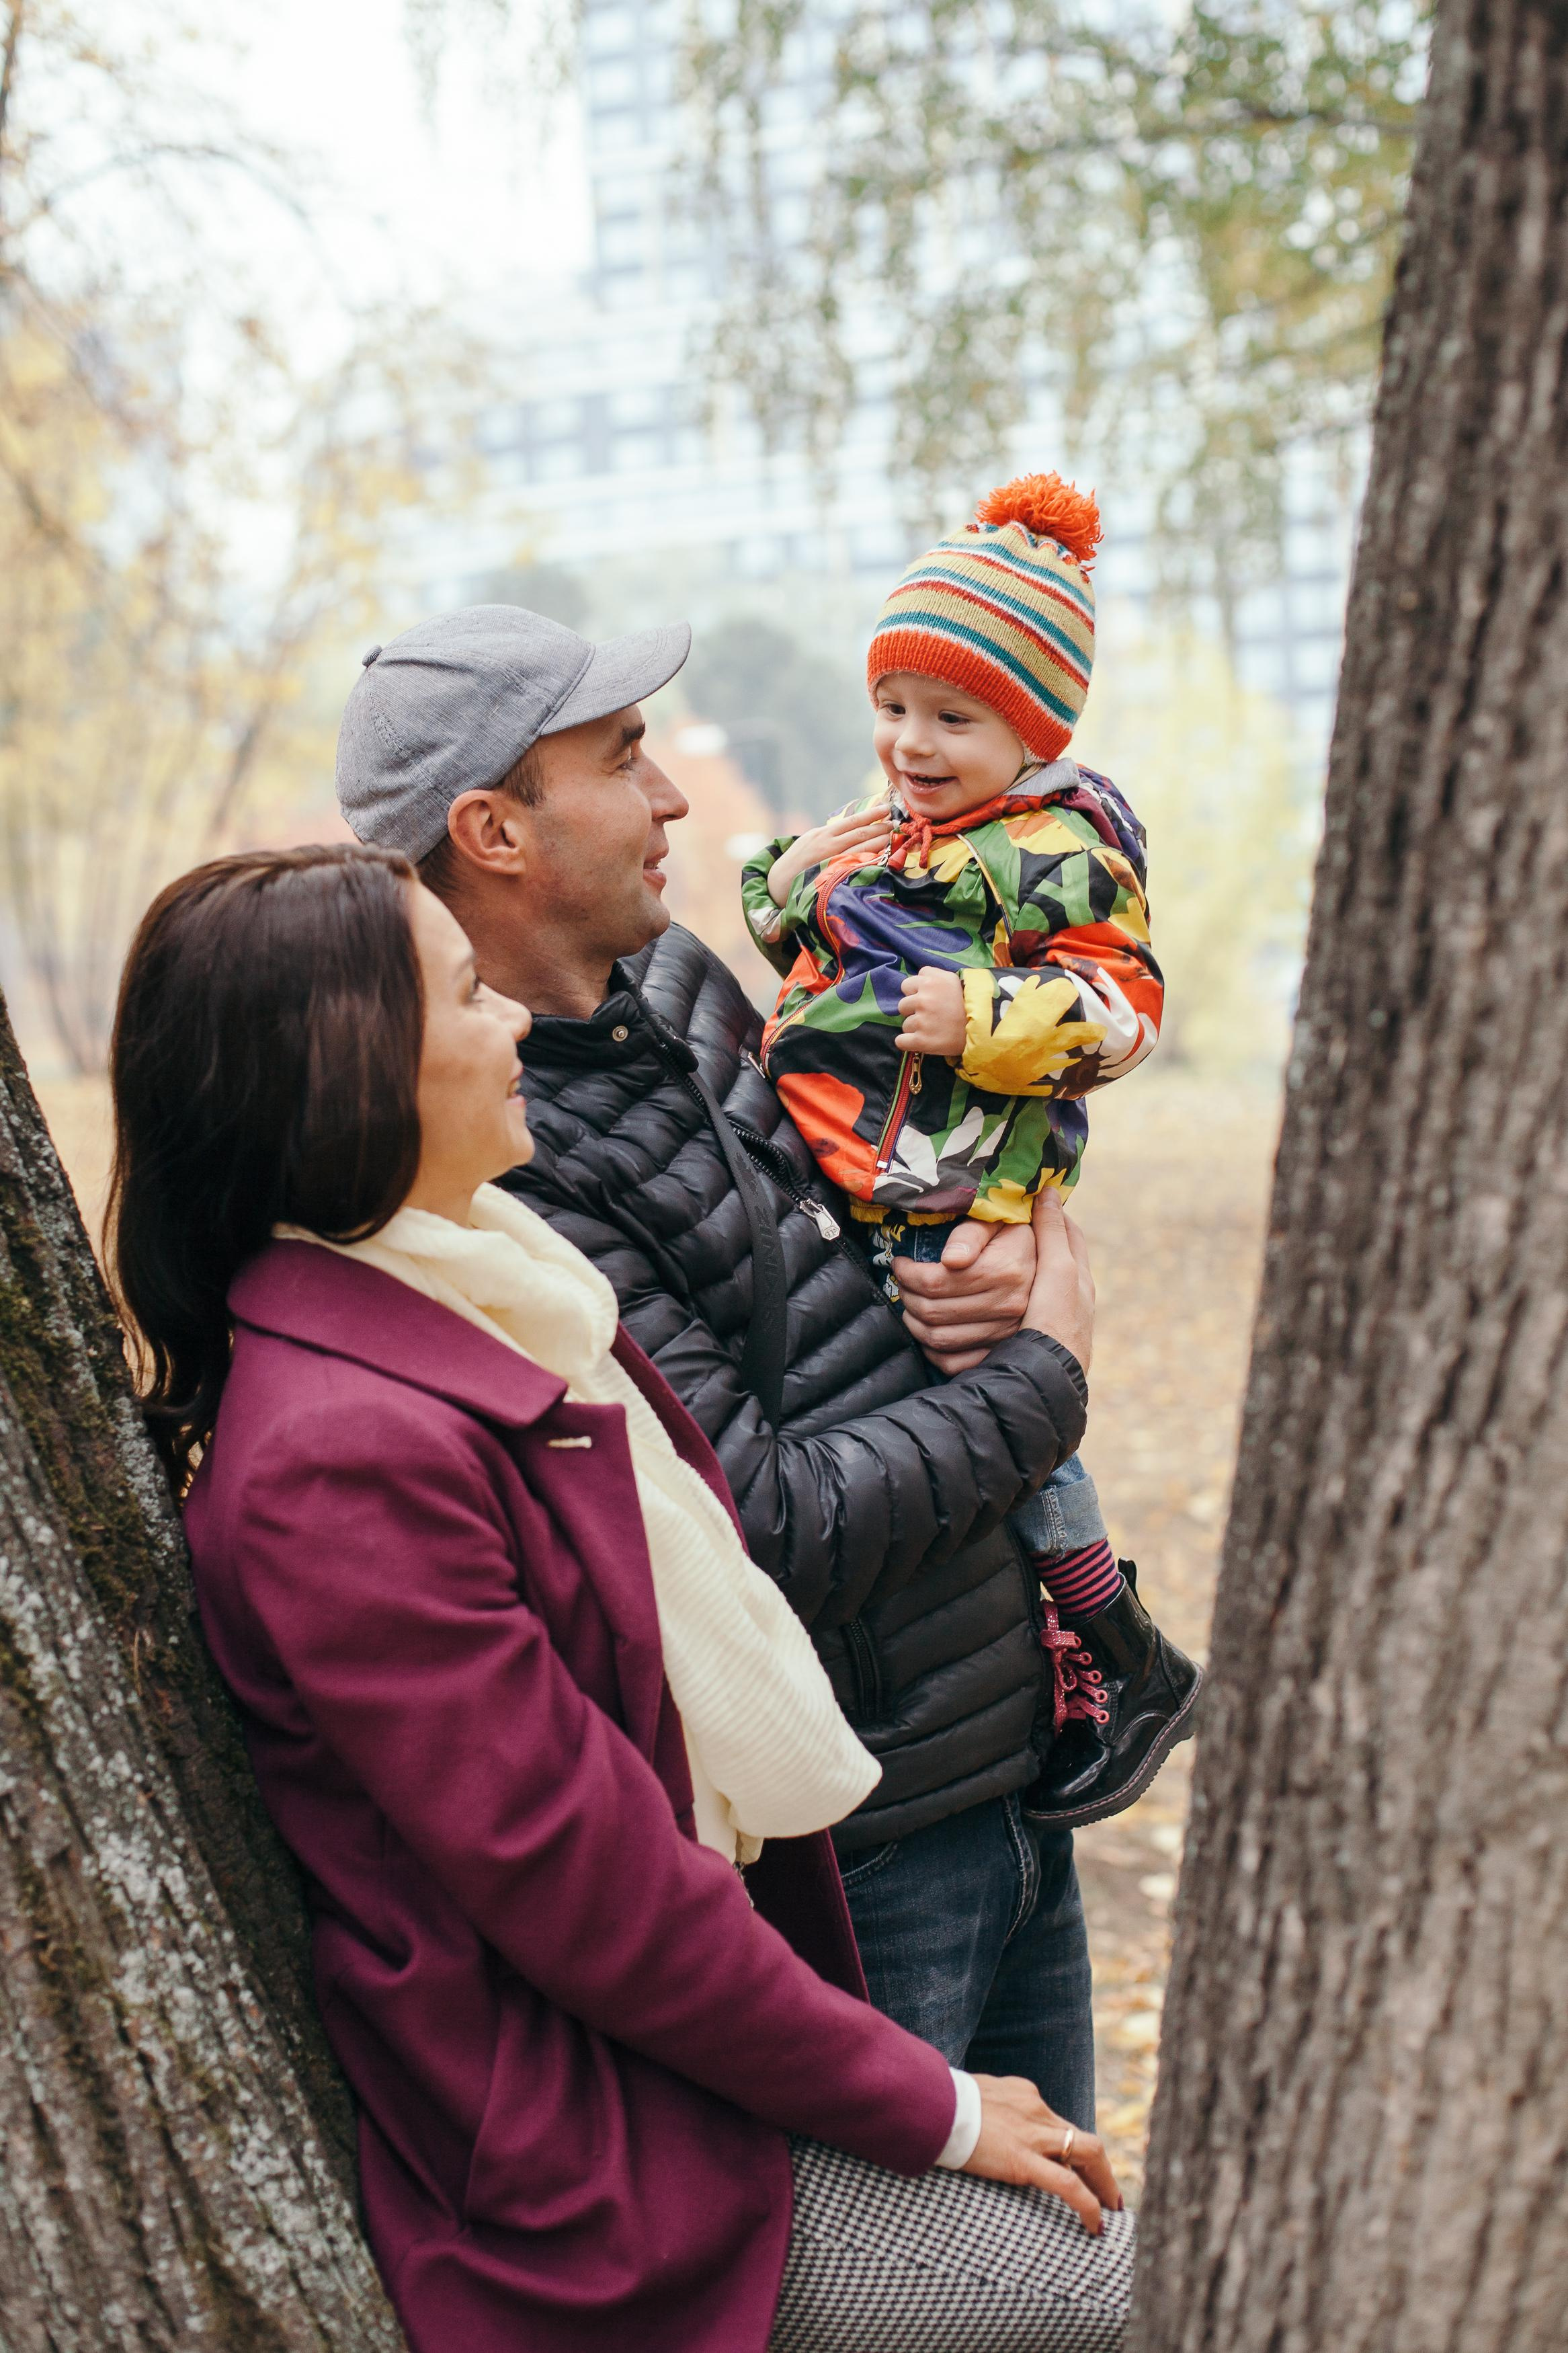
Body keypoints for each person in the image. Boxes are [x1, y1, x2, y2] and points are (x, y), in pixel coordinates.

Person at [107, 842, 1133, 2353]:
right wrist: (930, 2101)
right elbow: (589, 1886)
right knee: (1156, 2295)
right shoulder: (335, 1458)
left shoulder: (496, 1287)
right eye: (465, 994)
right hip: (617, 2154)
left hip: (712, 2047)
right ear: (352, 1070)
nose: (517, 1024)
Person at [333, 604, 1104, 2123]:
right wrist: (1049, 1373)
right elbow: (758, 1521)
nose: (675, 793)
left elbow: (891, 1186)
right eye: (623, 759)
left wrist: (1011, 1245)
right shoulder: (493, 1161)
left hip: (1011, 1782)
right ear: (493, 828)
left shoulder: (682, 980)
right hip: (867, 1860)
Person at [738, 471, 1202, 1823]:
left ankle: (1116, 1642)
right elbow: (819, 954)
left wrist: (987, 1014)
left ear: (1033, 725)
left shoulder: (1056, 855)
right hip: (857, 1175)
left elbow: (1125, 1015)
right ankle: (1061, 1651)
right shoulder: (893, 834)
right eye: (892, 708)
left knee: (1005, 1418)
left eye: (953, 717)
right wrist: (789, 880)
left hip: (957, 1182)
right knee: (936, 1430)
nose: (911, 742)